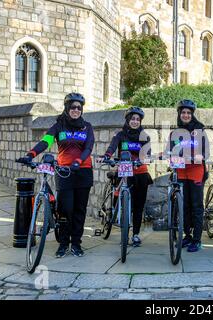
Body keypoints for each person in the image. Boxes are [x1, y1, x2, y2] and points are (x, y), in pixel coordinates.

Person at [17, 93, 94, 258]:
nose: (76, 110)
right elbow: (46, 142)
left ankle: (76, 244)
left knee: (79, 210)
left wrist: (78, 161)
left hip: (83, 171)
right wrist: (31, 154)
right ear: (67, 108)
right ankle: (63, 243)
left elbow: (88, 147)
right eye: (73, 107)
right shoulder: (58, 126)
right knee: (65, 209)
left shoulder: (87, 127)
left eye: (79, 107)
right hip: (64, 172)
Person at [98, 106, 153, 247]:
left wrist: (146, 158)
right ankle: (113, 213)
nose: (135, 122)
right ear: (128, 120)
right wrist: (107, 156)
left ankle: (135, 234)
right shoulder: (120, 135)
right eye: (132, 119)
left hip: (140, 171)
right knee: (118, 197)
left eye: (137, 119)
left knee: (138, 206)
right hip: (124, 169)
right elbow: (112, 147)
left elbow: (147, 152)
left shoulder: (144, 136)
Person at [165, 99, 209, 252]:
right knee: (184, 205)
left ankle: (197, 239)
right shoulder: (174, 133)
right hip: (181, 171)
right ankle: (187, 235)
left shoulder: (199, 131)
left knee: (196, 205)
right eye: (183, 112)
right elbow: (169, 150)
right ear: (179, 114)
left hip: (196, 171)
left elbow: (205, 151)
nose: (185, 115)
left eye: (188, 113)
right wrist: (167, 156)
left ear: (192, 115)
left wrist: (200, 156)